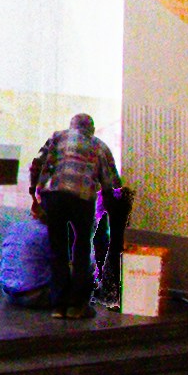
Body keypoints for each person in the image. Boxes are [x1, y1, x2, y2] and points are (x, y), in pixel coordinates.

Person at [29, 112, 120, 318]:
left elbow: (38, 164)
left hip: (54, 196)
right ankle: (77, 305)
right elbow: (111, 180)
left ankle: (58, 306)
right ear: (92, 129)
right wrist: (111, 205)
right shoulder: (98, 146)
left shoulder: (57, 137)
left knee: (58, 249)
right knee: (81, 249)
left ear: (71, 126)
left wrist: (36, 193)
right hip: (82, 199)